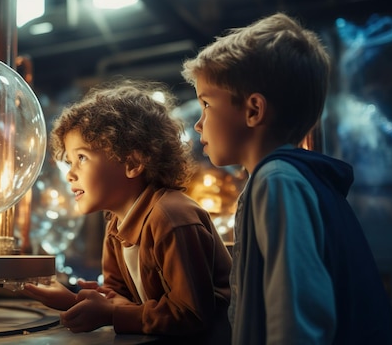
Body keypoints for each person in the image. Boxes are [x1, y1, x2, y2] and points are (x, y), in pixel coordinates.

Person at [181, 12, 392, 345]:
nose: (198, 124)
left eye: (206, 104)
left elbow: (295, 316)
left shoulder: (277, 181)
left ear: (254, 110)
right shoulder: (292, 178)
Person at [20, 78, 233, 344]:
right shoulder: (116, 224)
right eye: (69, 161)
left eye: (82, 158)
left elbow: (191, 315)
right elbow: (122, 300)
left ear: (132, 163)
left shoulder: (172, 217)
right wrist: (76, 300)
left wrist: (110, 315)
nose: (70, 174)